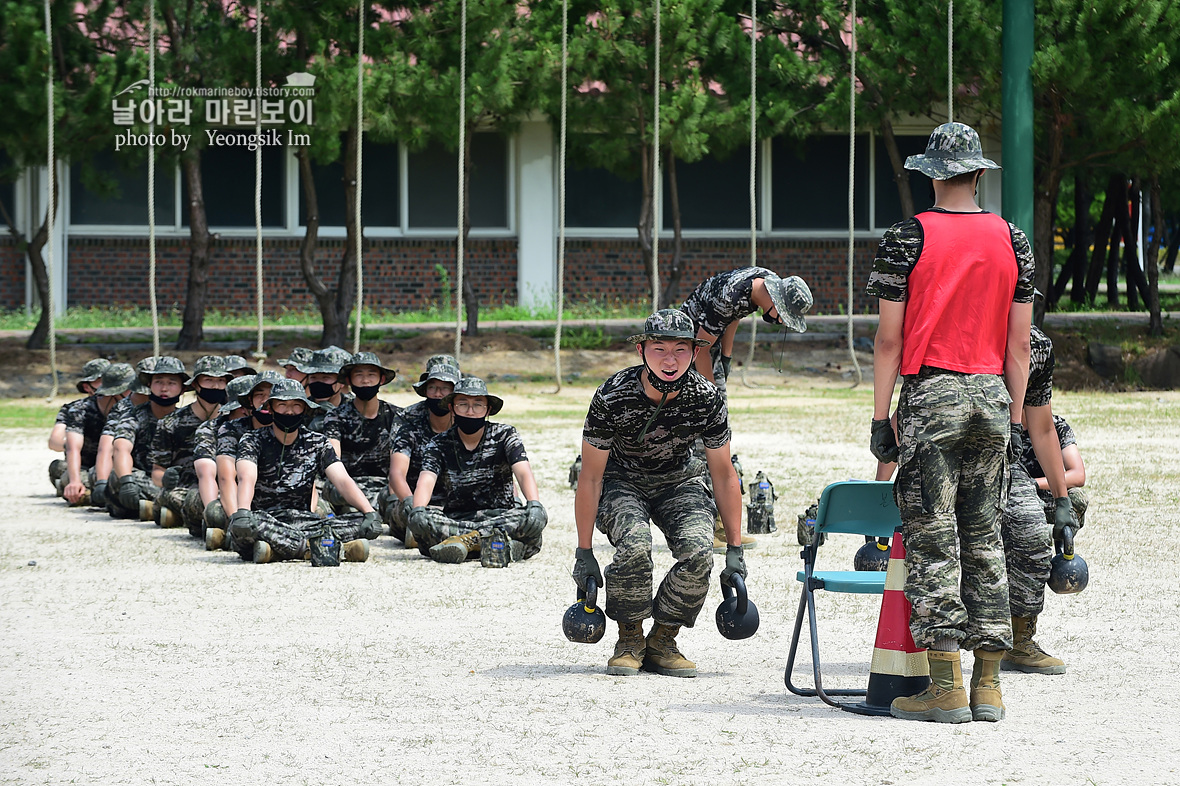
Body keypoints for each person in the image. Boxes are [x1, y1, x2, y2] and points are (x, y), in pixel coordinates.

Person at [867, 122, 1034, 723]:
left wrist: (881, 417)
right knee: (985, 537)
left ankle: (945, 688)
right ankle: (990, 686)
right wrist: (1014, 418)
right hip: (991, 396)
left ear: (931, 173)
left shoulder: (906, 237)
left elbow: (889, 340)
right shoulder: (1014, 240)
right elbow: (1020, 346)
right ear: (979, 173)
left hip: (931, 393)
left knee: (935, 542)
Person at [571, 310, 746, 678]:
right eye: (659, 348)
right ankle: (630, 638)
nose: (670, 360)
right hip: (622, 481)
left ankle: (663, 639)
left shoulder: (706, 398)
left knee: (700, 551)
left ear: (695, 352)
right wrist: (583, 551)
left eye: (681, 350)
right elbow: (590, 477)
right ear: (641, 350)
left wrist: (734, 548)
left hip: (678, 482)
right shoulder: (612, 395)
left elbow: (724, 472)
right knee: (634, 544)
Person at [680, 268, 812, 551]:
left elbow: (733, 317)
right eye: (783, 316)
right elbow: (700, 348)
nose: (779, 322)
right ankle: (707, 524)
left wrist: (726, 356)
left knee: (720, 438)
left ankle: (722, 523)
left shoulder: (759, 285)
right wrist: (710, 397)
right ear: (776, 301)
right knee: (707, 439)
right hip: (685, 351)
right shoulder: (733, 293)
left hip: (706, 347)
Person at [998, 325, 1083, 675]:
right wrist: (879, 492)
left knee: (1033, 535)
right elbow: (912, 409)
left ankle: (1019, 641)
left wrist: (1062, 499)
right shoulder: (958, 322)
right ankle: (937, 657)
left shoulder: (1037, 346)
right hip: (945, 450)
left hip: (1003, 457)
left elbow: (1044, 427)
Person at [229, 379, 382, 564]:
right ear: (270, 408)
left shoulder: (318, 442)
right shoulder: (252, 440)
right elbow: (247, 477)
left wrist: (369, 512)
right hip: (267, 520)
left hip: (305, 521)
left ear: (305, 408)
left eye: (296, 405)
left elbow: (342, 479)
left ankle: (282, 550)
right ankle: (325, 548)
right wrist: (243, 511)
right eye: (282, 405)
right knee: (246, 526)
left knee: (359, 521)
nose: (289, 411)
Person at [406, 377, 547, 565]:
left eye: (478, 405)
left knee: (531, 518)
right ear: (452, 408)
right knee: (425, 521)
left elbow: (523, 472)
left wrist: (534, 504)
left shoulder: (505, 435)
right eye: (463, 404)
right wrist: (418, 510)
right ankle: (497, 545)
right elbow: (426, 480)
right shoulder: (438, 443)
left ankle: (468, 542)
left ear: (488, 409)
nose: (470, 411)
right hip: (456, 518)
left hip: (502, 515)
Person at [150, 356, 234, 535]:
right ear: (196, 384)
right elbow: (157, 470)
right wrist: (165, 478)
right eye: (209, 380)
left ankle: (189, 518)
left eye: (220, 381)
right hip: (186, 488)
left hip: (227, 488)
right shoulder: (171, 423)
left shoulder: (234, 420)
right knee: (176, 497)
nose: (215, 386)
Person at [202, 372, 283, 551]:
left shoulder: (294, 429)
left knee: (322, 509)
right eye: (259, 394)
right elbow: (226, 477)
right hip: (243, 502)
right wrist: (236, 520)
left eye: (271, 394)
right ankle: (230, 533)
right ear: (250, 401)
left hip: (281, 501)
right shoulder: (232, 428)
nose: (264, 400)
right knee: (214, 511)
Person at [384, 356, 460, 545]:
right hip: (415, 497)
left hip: (457, 501)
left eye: (444, 388)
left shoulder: (468, 416)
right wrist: (413, 505)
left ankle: (433, 533)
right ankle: (424, 530)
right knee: (400, 509)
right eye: (432, 387)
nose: (437, 393)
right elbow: (396, 473)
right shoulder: (408, 418)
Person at [107, 357, 187, 520]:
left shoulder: (187, 419)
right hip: (144, 480)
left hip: (178, 483)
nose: (164, 388)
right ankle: (168, 508)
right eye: (158, 382)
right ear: (149, 385)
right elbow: (121, 448)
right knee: (117, 477)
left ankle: (158, 508)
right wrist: (127, 481)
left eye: (172, 383)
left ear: (182, 389)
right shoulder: (134, 415)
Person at [322, 352, 401, 513]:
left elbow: (399, 466)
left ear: (382, 379)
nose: (365, 380)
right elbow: (333, 460)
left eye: (371, 375)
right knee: (332, 489)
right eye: (359, 375)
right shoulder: (335, 416)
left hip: (384, 486)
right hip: (347, 485)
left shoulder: (397, 416)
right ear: (349, 381)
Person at [191, 374, 258, 543]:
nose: (244, 413)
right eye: (239, 409)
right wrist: (234, 520)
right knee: (214, 512)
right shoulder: (210, 429)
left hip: (258, 494)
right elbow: (211, 474)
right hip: (222, 494)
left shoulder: (266, 427)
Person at [59, 362, 134, 506]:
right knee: (72, 477)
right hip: (88, 467)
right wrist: (75, 482)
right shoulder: (80, 409)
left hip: (120, 465)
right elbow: (73, 448)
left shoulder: (132, 408)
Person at [92, 357, 155, 509]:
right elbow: (107, 445)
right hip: (132, 469)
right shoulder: (122, 408)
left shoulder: (168, 405)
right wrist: (101, 482)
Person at [48, 358, 111, 491]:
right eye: (100, 380)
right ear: (87, 386)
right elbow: (54, 442)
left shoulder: (123, 406)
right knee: (59, 467)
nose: (105, 384)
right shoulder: (75, 409)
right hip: (83, 465)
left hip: (110, 464)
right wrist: (74, 444)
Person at [297, 348, 354, 432]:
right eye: (313, 377)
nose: (319, 383)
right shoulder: (301, 409)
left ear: (341, 382)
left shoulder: (353, 409)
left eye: (326, 378)